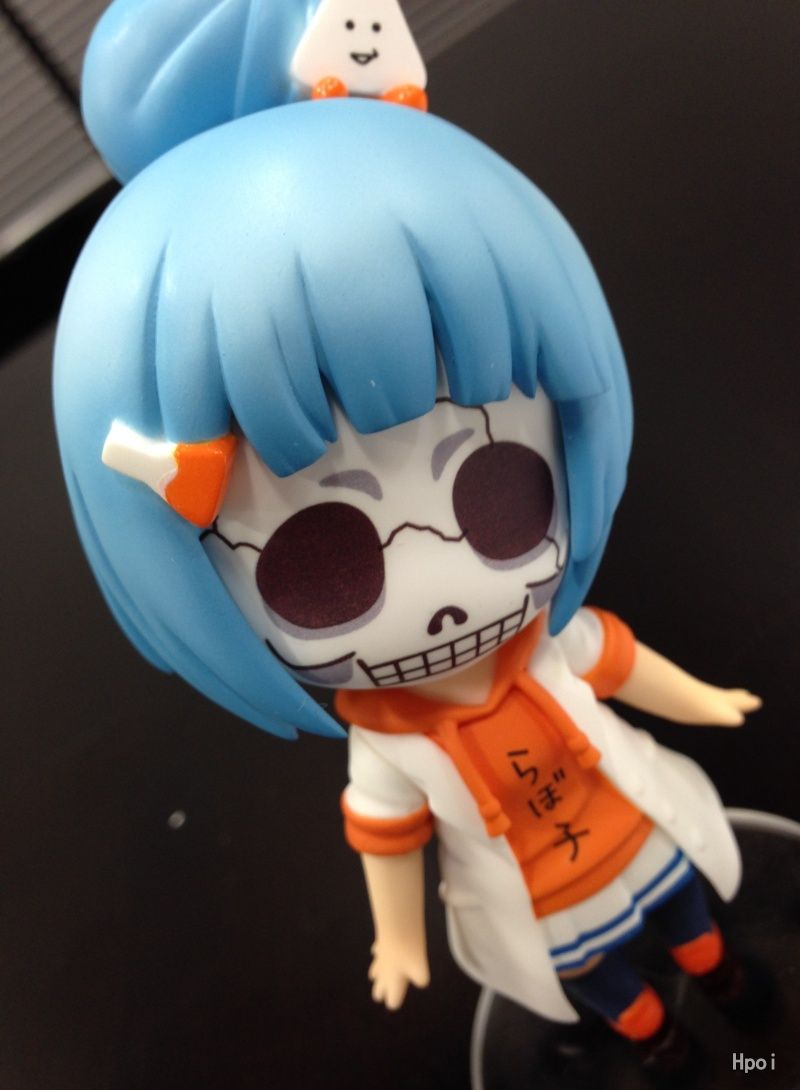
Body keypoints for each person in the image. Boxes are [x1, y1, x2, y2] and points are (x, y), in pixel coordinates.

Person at [54, 0, 761, 1069]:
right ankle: (664, 1045)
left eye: (500, 495)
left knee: (698, 929)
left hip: (637, 836)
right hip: (543, 906)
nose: (441, 593)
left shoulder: (547, 648)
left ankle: (733, 994)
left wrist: (706, 701)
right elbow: (387, 839)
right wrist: (399, 941)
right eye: (321, 567)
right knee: (620, 997)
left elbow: (622, 662)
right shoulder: (390, 744)